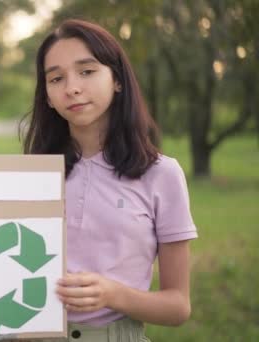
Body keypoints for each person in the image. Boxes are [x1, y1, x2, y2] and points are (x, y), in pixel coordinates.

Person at [23, 19, 197, 341]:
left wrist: (113, 294)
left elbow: (178, 306)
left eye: (87, 71)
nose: (72, 87)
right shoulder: (31, 175)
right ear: (46, 95)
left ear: (117, 79)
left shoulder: (161, 174)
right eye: (56, 78)